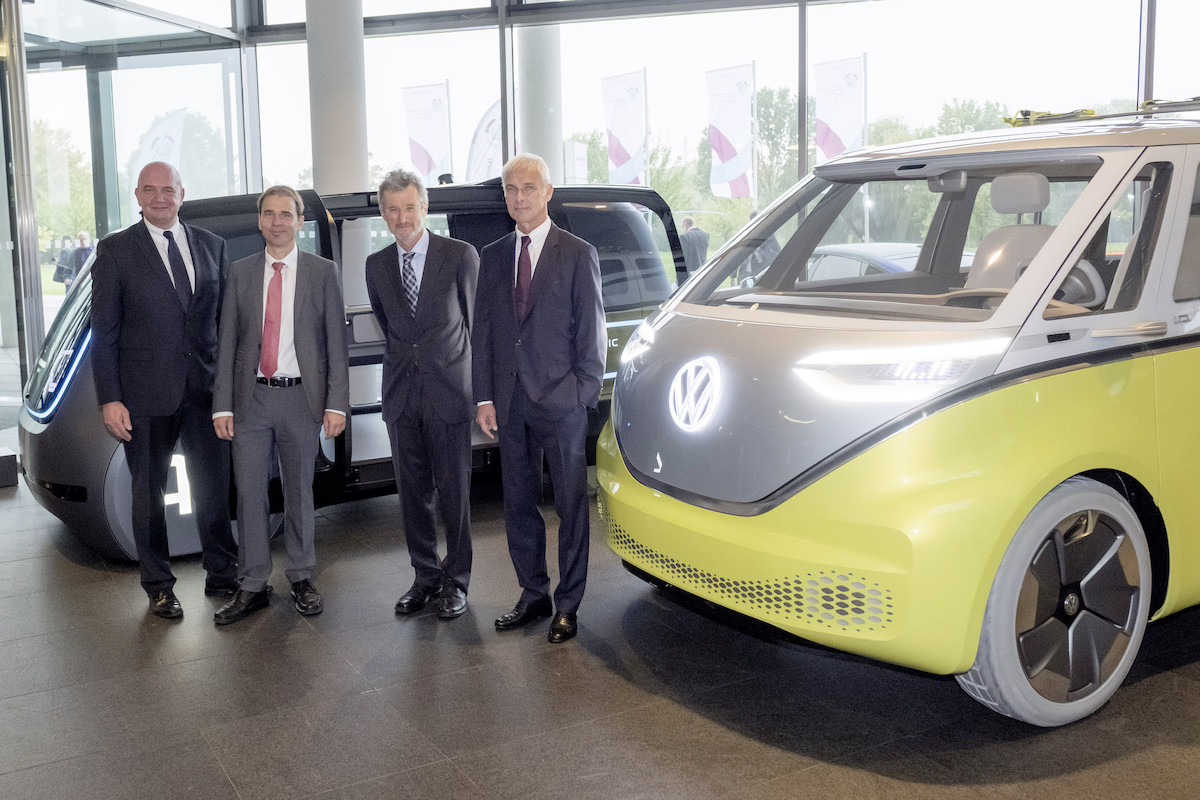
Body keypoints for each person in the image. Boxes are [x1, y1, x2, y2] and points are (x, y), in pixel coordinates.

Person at [91, 161, 239, 619]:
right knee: (148, 494)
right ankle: (158, 584)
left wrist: (229, 392)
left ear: (182, 192)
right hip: (144, 396)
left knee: (215, 489)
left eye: (168, 189)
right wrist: (110, 398)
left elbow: (224, 326)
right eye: (150, 190)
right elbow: (104, 332)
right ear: (137, 195)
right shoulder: (115, 251)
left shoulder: (213, 247)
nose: (160, 198)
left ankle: (223, 573)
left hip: (206, 394)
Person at [473, 153, 606, 643]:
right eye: (511, 189)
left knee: (571, 507)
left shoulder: (576, 253)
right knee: (518, 504)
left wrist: (581, 394)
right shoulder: (491, 256)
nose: (519, 197)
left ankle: (568, 605)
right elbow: (484, 332)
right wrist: (484, 397)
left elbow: (593, 334)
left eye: (529, 187)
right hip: (509, 404)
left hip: (562, 404)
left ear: (548, 192)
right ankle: (533, 595)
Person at [211, 185, 349, 625]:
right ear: (259, 221)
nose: (276, 221)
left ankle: (302, 576)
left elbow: (335, 346)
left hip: (300, 400)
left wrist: (337, 405)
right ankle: (252, 584)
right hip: (250, 399)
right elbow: (228, 341)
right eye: (268, 214)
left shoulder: (322, 272)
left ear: (299, 221)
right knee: (249, 494)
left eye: (285, 214)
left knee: (299, 492)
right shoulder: (240, 272)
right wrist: (222, 406)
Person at [365, 169, 479, 620]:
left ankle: (457, 581)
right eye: (392, 209)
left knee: (455, 494)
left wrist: (480, 393)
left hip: (449, 393)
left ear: (424, 207)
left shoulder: (459, 255)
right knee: (412, 495)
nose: (401, 217)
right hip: (400, 396)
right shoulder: (376, 265)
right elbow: (390, 326)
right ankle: (425, 577)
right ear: (383, 213)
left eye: (409, 207)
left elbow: (475, 326)